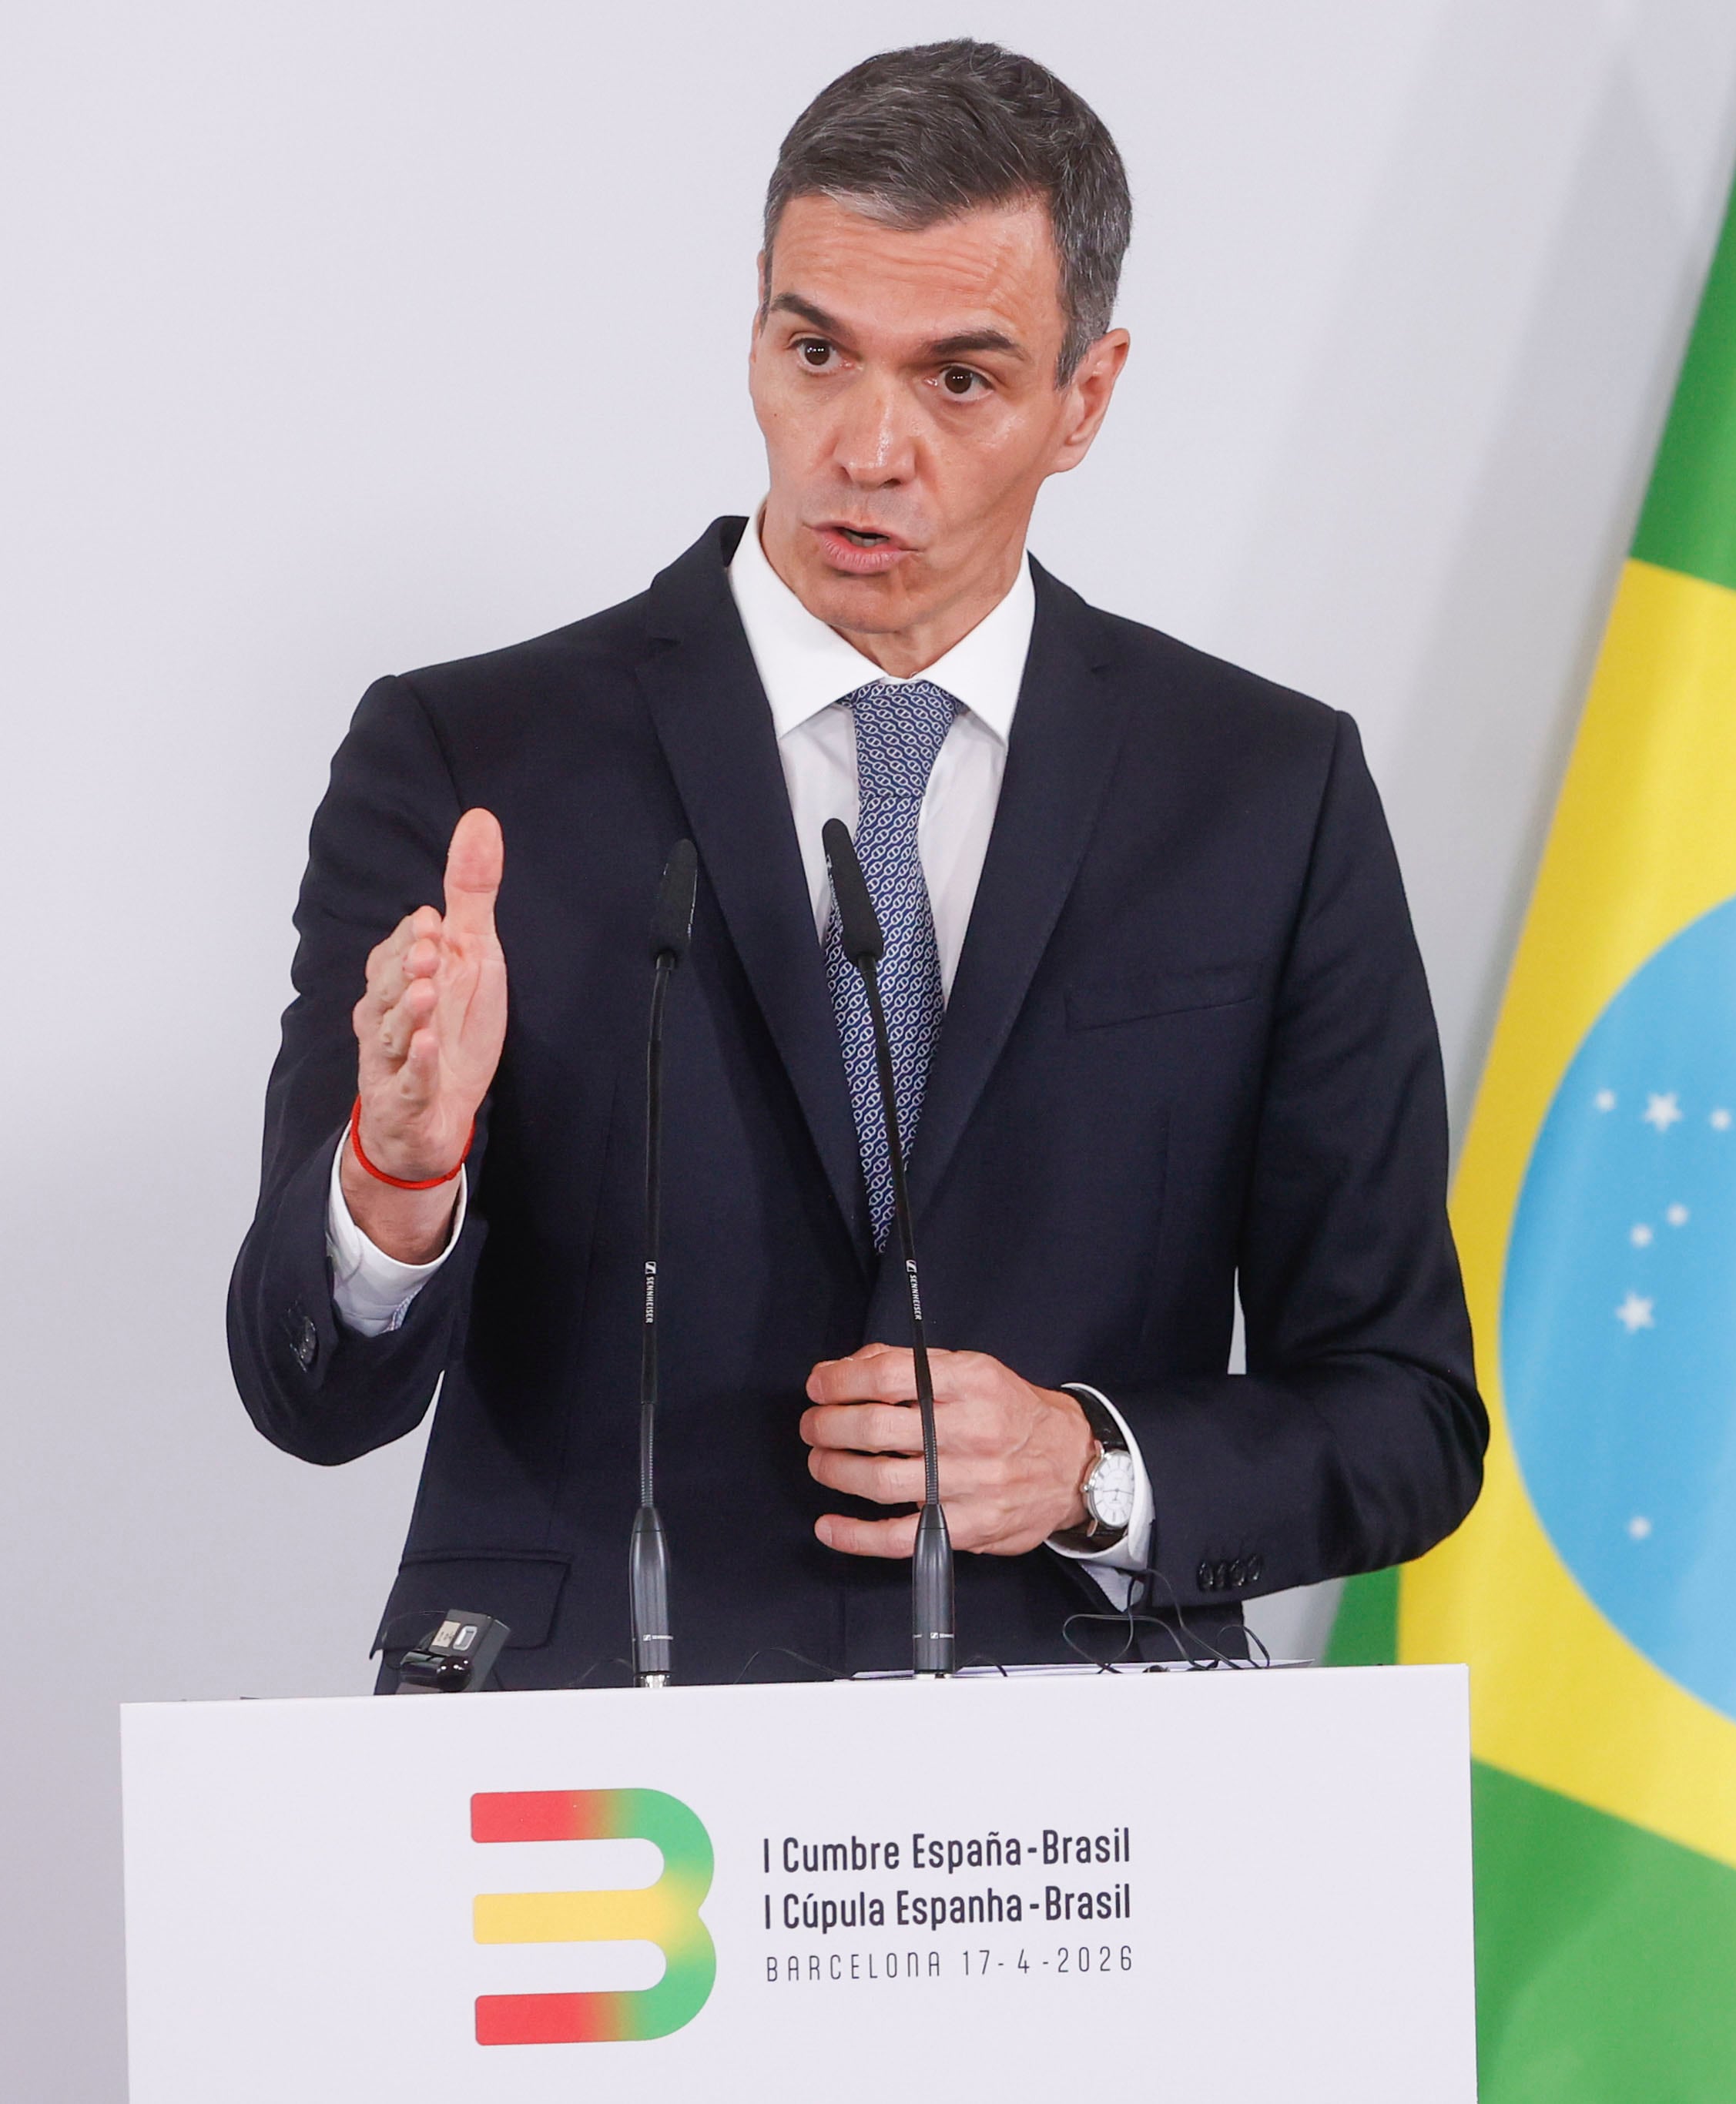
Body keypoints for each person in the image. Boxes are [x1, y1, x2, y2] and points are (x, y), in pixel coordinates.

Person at [225, 40, 1483, 1684]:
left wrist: (1089, 1467)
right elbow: (310, 1391)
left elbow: (1404, 1411)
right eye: (817, 350)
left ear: (1083, 399)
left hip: (1080, 1828)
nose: (866, 446)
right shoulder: (473, 765)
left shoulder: (1264, 791)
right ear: (757, 328)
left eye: (959, 379)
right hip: (600, 1805)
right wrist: (396, 1175)